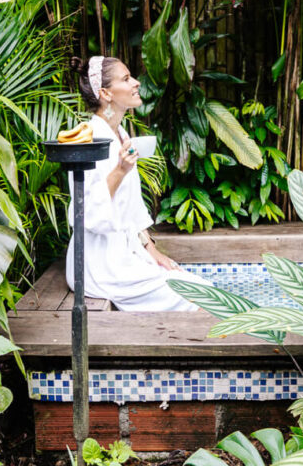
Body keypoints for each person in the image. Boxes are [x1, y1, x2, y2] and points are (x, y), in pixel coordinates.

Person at [65, 55, 205, 311]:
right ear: (106, 93)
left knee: (198, 287)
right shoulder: (88, 137)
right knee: (194, 297)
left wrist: (152, 251)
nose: (137, 83)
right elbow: (86, 213)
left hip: (123, 253)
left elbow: (130, 210)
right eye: (126, 78)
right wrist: (120, 170)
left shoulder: (121, 134)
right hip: (98, 263)